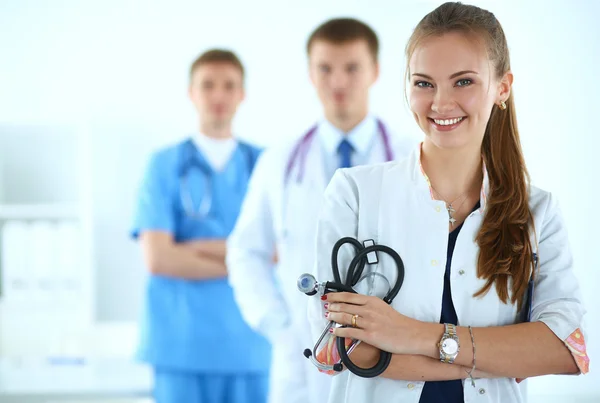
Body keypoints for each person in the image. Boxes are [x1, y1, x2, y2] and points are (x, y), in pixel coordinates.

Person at [308, 3, 590, 402]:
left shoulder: (537, 213)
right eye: (424, 83)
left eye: (463, 82)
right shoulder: (354, 193)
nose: (440, 103)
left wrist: (412, 335)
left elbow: (566, 350)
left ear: (502, 87)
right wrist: (504, 354)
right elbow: (341, 348)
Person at [226, 17, 416, 403]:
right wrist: (282, 327)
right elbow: (245, 252)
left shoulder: (413, 158)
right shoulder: (279, 162)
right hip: (303, 354)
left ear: (375, 71)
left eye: (351, 67)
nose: (338, 81)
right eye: (325, 68)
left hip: (394, 355)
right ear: (310, 74)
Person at [130, 49, 270, 403]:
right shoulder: (163, 165)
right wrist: (242, 258)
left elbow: (279, 252)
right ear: (191, 93)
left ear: (243, 94)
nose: (218, 95)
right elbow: (159, 259)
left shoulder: (266, 165)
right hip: (181, 346)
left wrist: (190, 248)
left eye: (229, 86)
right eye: (208, 85)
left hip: (249, 344)